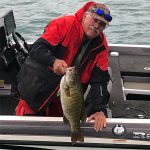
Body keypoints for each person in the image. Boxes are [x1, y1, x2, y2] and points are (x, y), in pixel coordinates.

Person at [15, 1, 112, 132]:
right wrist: (53, 61)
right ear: (85, 16)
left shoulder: (101, 46)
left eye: (102, 25)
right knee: (25, 130)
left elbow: (100, 80)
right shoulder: (64, 24)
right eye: (95, 20)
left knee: (62, 128)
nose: (96, 26)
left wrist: (100, 110)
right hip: (36, 89)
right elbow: (37, 49)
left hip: (65, 95)